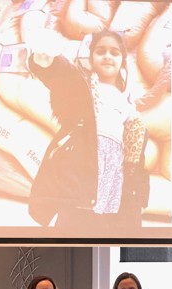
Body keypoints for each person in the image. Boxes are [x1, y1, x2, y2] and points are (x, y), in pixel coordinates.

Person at [28, 28, 149, 231]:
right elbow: (62, 75)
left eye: (114, 52)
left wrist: (137, 199)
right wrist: (46, 60)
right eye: (101, 51)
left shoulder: (129, 108)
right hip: (79, 191)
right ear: (91, 58)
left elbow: (135, 161)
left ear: (122, 60)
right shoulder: (82, 87)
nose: (108, 56)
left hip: (113, 195)